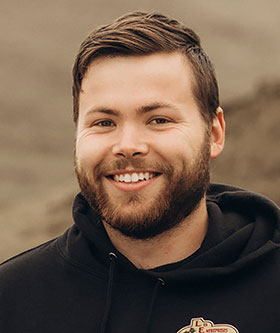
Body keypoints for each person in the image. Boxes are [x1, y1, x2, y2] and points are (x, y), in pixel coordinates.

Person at [0, 11, 279, 333]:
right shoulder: (14, 300)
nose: (128, 145)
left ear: (214, 133)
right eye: (104, 122)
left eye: (158, 119)